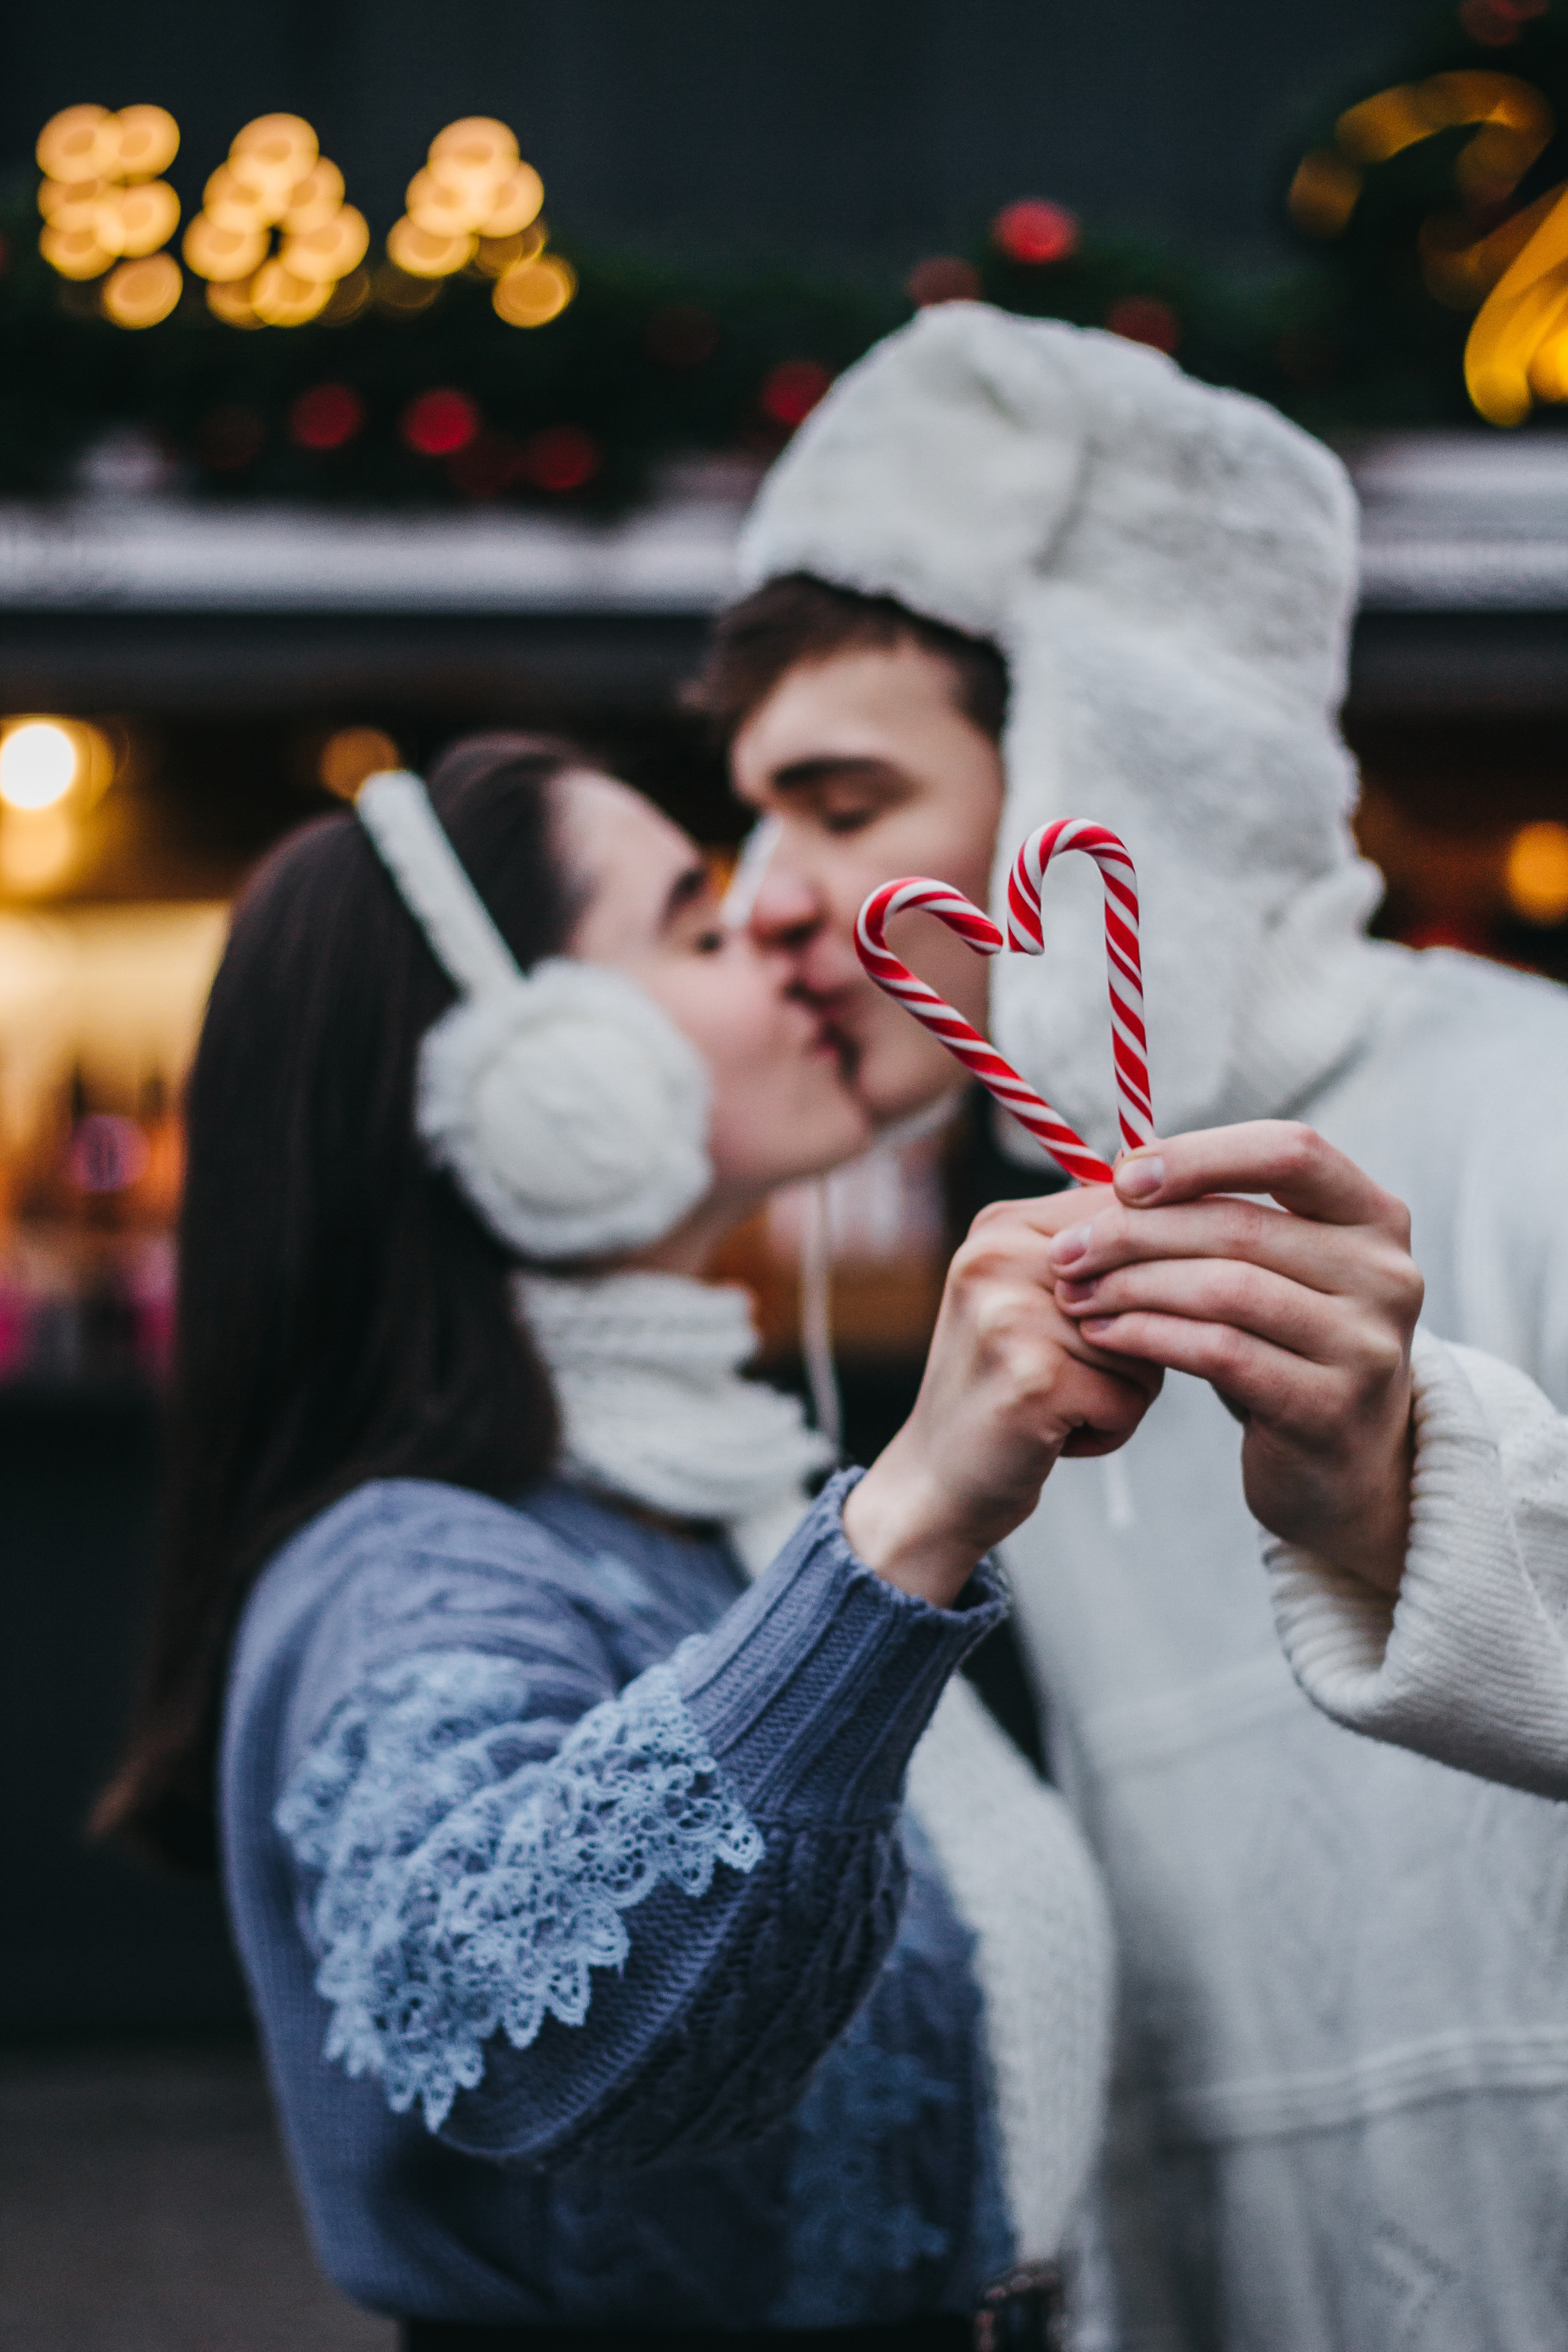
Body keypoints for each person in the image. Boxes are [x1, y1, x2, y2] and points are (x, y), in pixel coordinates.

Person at [697, 306, 1568, 2350]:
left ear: (1108, 783)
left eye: (843, 800)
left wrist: (1408, 1518)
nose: (760, 897)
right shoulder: (1033, 1286)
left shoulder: (1537, 1112)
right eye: (753, 815)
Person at [95, 731, 1157, 2348]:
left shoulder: (723, 1504)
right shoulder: (409, 1568)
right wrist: (910, 1522)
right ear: (541, 1082)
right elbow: (515, 2033)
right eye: (701, 925)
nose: (783, 927)